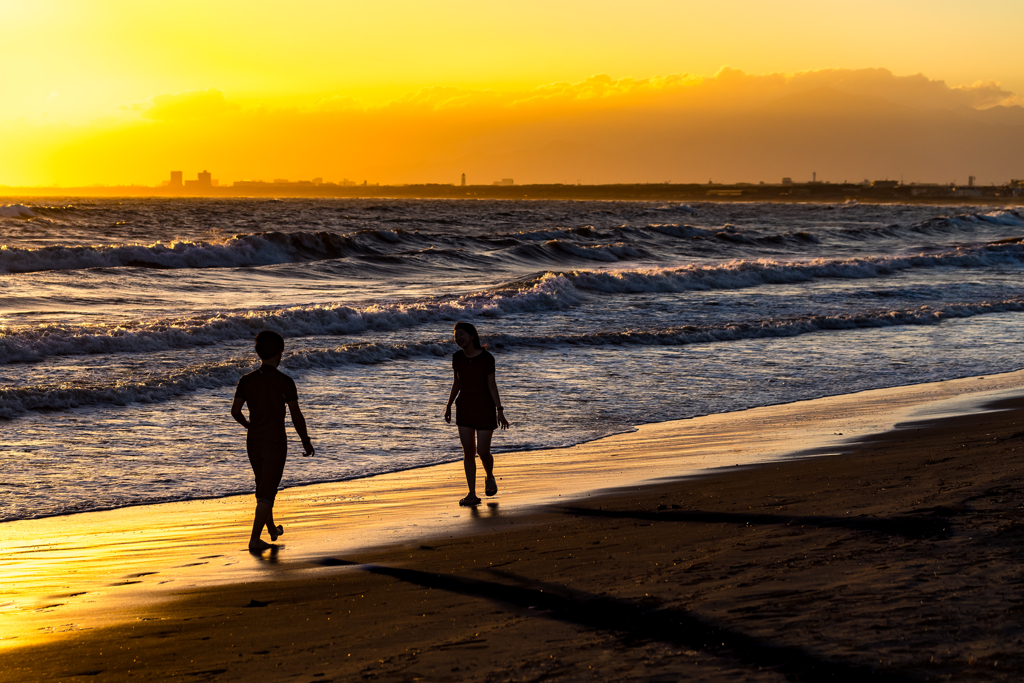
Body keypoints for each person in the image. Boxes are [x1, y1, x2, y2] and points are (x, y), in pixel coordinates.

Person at [231, 331, 315, 552]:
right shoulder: (285, 382)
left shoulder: (246, 380)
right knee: (267, 491)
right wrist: (305, 441)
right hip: (275, 442)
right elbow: (297, 416)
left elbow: (236, 411)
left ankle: (271, 530)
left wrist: (249, 426)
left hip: (253, 441)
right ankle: (254, 540)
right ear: (279, 353)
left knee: (262, 487)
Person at [444, 321, 510, 506]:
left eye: (462, 334)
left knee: (482, 451)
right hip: (464, 407)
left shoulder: (487, 358)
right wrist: (449, 405)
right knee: (468, 453)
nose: (458, 338)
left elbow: (492, 386)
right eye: (456, 336)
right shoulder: (457, 357)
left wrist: (500, 411)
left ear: (472, 335)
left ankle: (489, 476)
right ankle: (471, 494)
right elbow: (456, 383)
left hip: (485, 408)